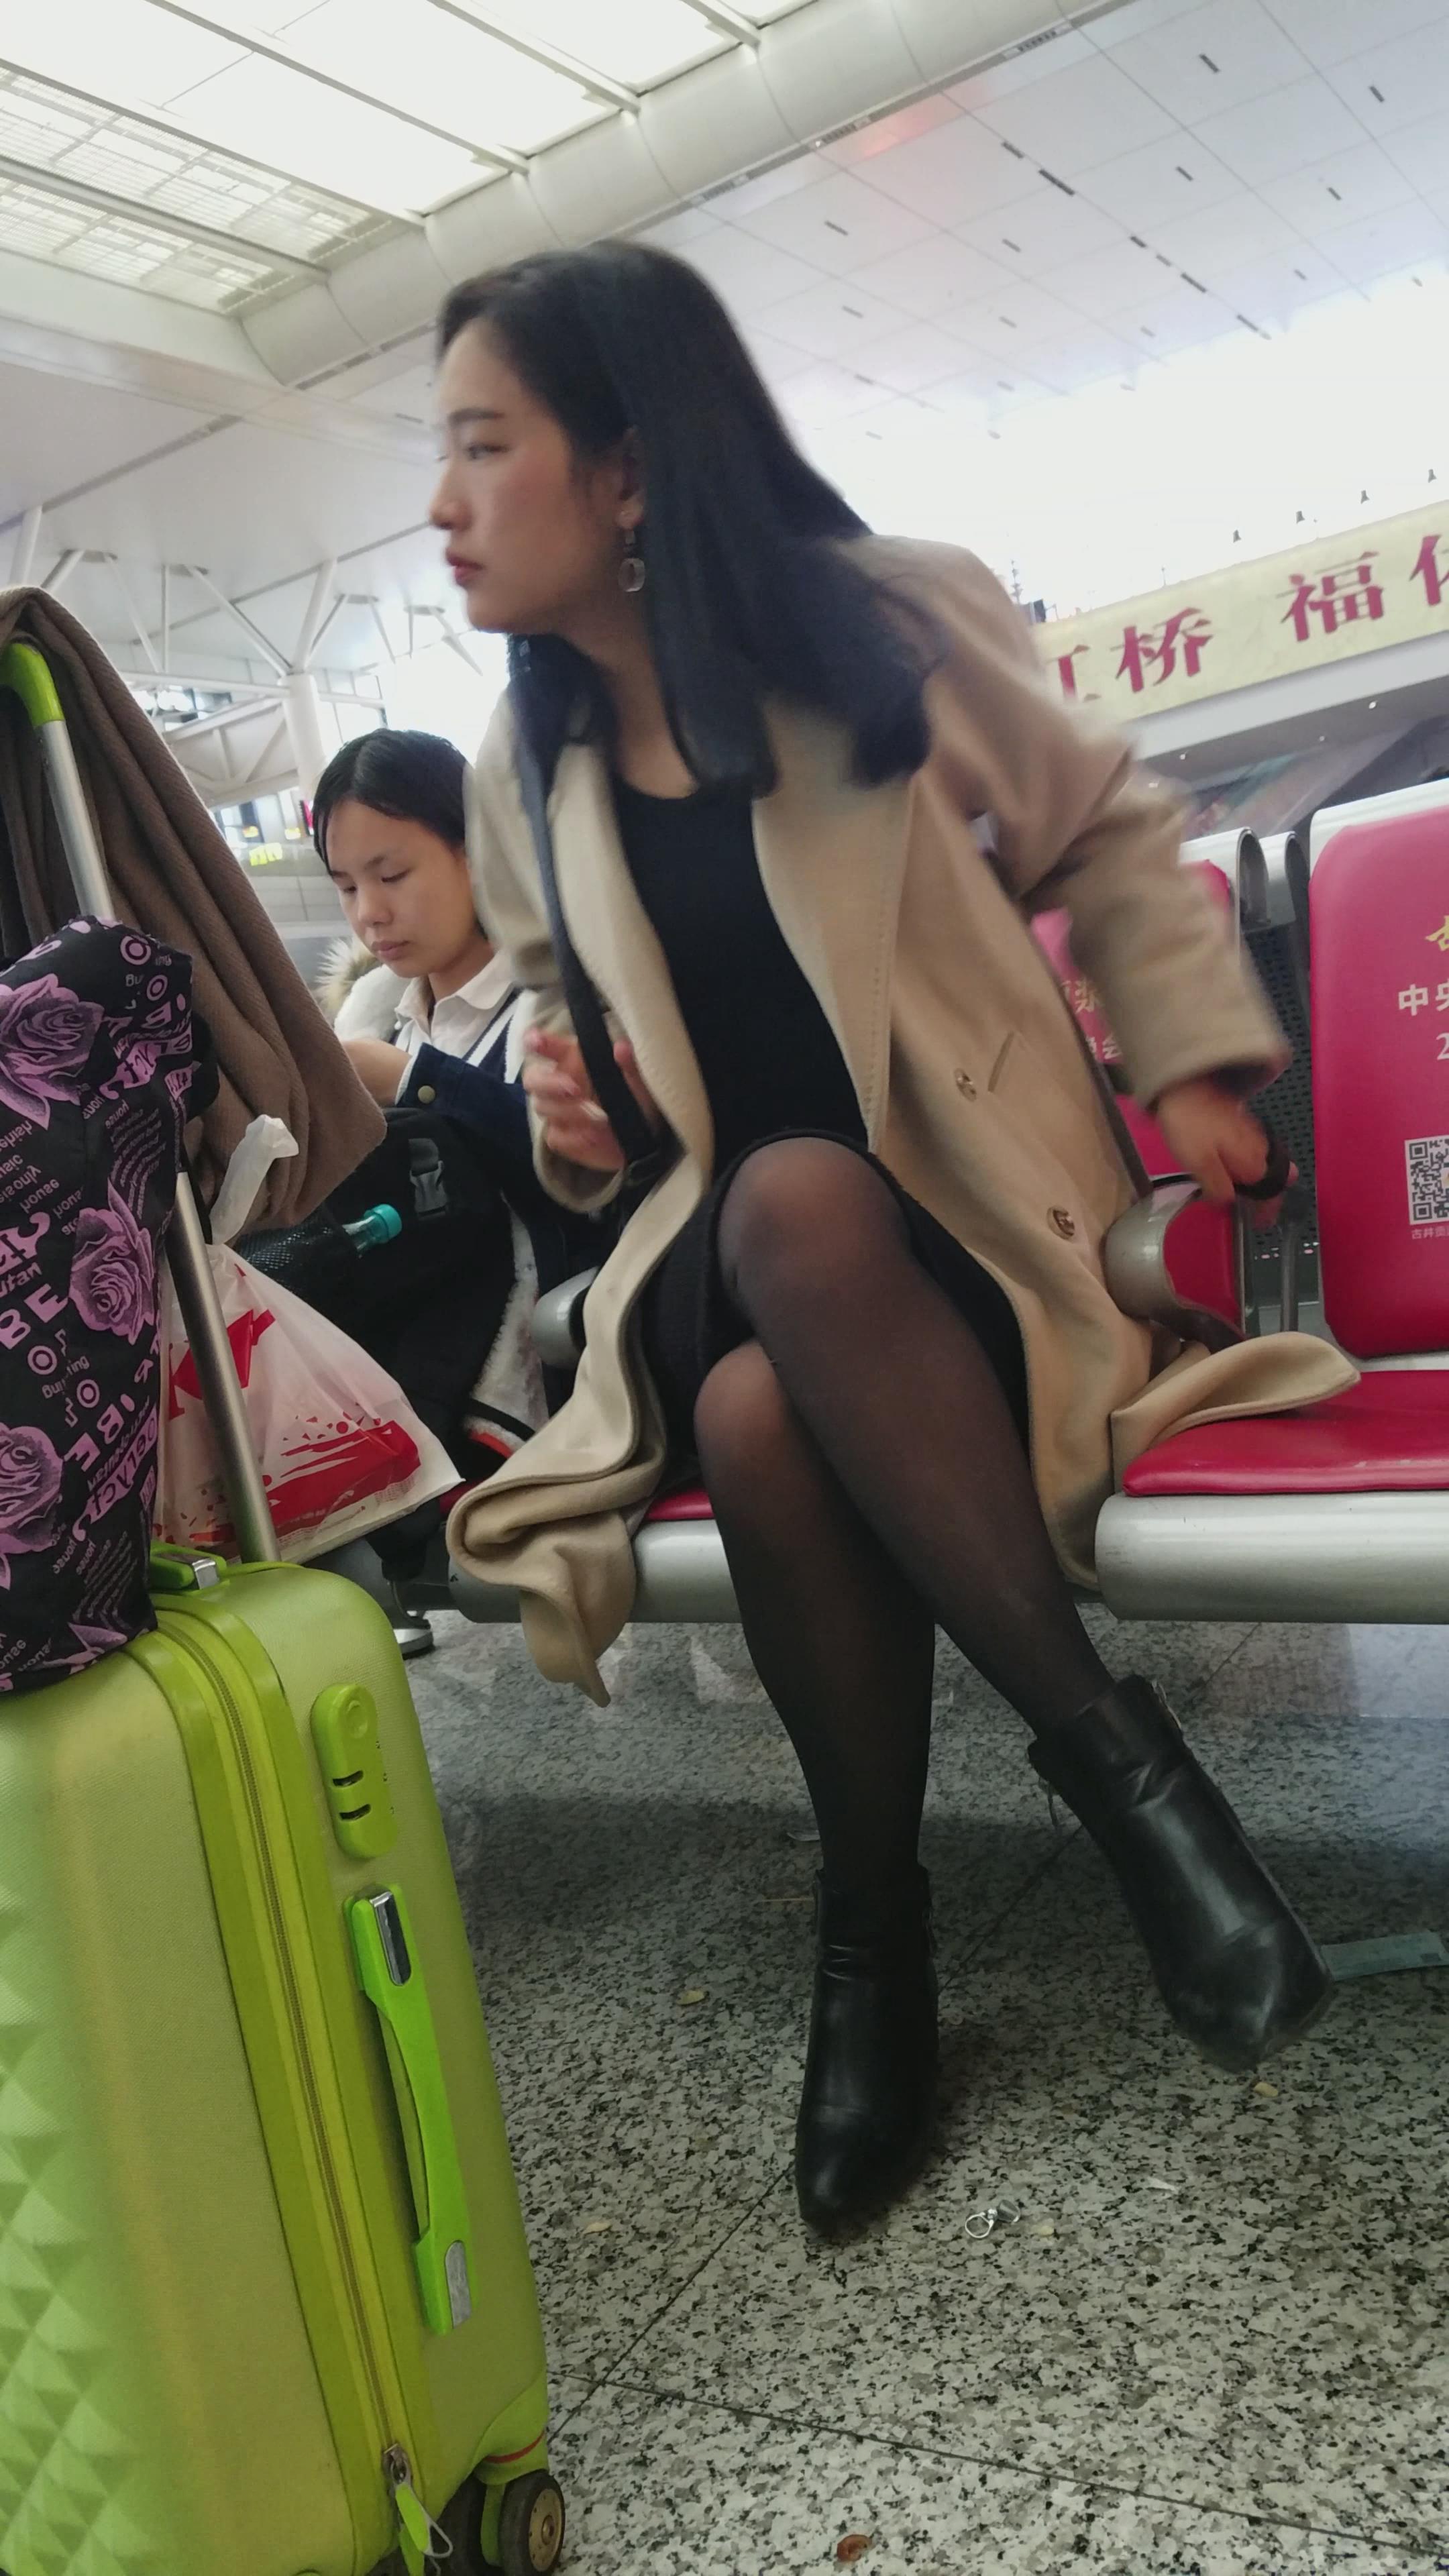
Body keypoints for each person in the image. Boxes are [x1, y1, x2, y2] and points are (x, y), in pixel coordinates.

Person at [427, 244, 1350, 2234]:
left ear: (630, 465)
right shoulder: (524, 767)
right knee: (775, 1204)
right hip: (719, 1237)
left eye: (485, 445)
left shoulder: (890, 622)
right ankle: (1136, 1794)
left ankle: (876, 1949)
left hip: (972, 1230)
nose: (444, 501)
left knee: (763, 1416)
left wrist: (1194, 1059)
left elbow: (1104, 826)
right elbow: (572, 1054)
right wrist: (574, 1114)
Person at [315, 726, 596, 1460]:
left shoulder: (555, 1005)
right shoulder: (375, 1019)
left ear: (477, 854)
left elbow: (582, 1179)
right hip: (392, 1362)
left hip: (524, 1390)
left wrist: (415, 1083)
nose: (369, 913)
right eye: (347, 887)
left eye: (392, 875)